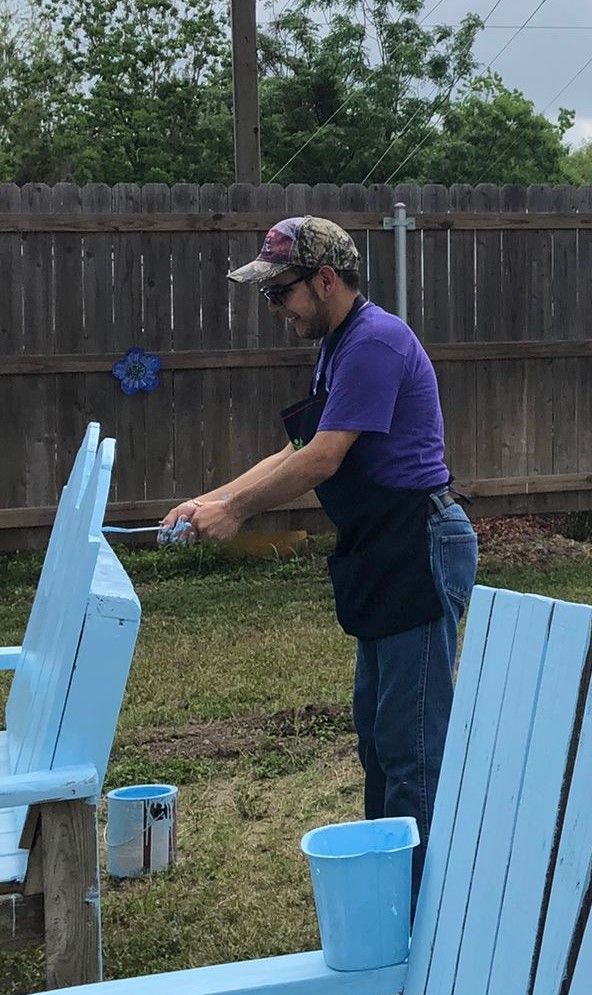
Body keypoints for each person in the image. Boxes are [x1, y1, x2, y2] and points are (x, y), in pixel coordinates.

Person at [162, 216, 477, 888]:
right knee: (376, 735)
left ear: (326, 280)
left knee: (411, 744)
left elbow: (325, 459)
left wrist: (237, 513)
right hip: (382, 547)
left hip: (418, 543)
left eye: (282, 293)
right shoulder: (338, 345)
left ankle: (423, 909)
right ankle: (386, 890)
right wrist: (209, 500)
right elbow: (297, 449)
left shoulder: (374, 344)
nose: (275, 309)